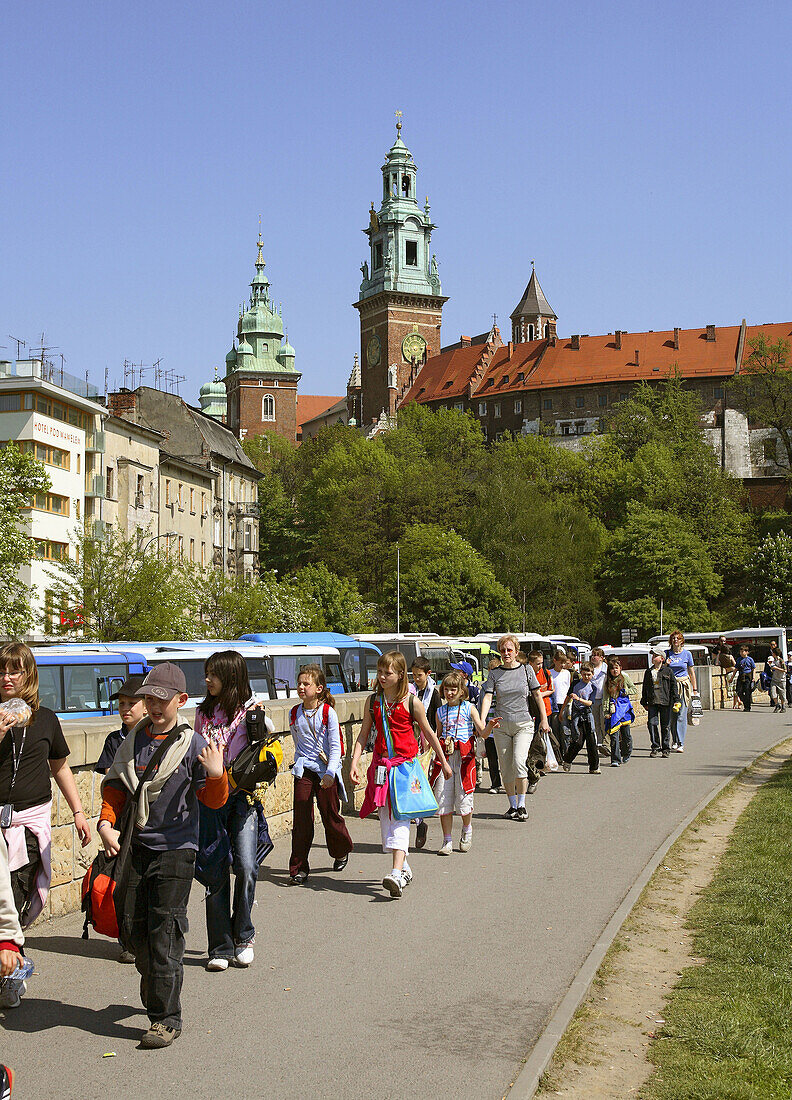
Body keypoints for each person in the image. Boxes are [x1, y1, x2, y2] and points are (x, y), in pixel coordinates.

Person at [97, 663, 228, 1049]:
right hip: (136, 845)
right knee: (134, 930)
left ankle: (165, 1018)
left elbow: (214, 801)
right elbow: (116, 788)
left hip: (176, 851)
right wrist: (106, 824)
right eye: (148, 698)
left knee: (165, 931)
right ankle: (156, 985)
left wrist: (218, 774)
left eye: (162, 699)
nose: (153, 705)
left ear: (181, 701)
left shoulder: (195, 746)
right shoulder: (133, 740)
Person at [0, 642, 90, 1009]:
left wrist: (80, 812)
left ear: (29, 675)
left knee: (16, 900)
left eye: (14, 670)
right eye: (2, 670)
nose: (7, 677)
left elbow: (60, 768)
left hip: (29, 825)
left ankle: (10, 977)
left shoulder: (47, 719)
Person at [193, 651, 274, 972]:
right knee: (214, 872)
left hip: (242, 800)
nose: (208, 680)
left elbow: (263, 753)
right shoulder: (203, 713)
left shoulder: (251, 713)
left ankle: (244, 935)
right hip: (211, 800)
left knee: (245, 865)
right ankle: (220, 946)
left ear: (231, 678)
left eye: (214, 674)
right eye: (207, 673)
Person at [350, 651, 450, 899]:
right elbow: (363, 735)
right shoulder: (374, 701)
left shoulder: (411, 702)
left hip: (405, 768)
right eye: (380, 672)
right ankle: (404, 868)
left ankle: (395, 872)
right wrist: (353, 763)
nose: (382, 677)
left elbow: (428, 733)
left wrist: (444, 763)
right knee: (385, 820)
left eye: (388, 672)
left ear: (400, 675)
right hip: (381, 768)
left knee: (401, 817)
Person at [95, 673, 146, 964]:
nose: (125, 709)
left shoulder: (154, 737)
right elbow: (110, 783)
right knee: (123, 879)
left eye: (132, 703)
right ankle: (127, 939)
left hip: (148, 818)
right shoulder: (115, 740)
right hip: (121, 819)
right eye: (122, 703)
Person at [288, 664, 353, 884]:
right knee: (302, 819)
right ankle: (298, 868)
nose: (301, 687)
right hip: (305, 769)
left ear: (319, 688)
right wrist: (299, 764)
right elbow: (297, 742)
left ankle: (340, 850)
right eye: (299, 683)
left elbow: (335, 747)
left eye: (306, 684)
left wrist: (330, 773)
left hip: (326, 770)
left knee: (330, 815)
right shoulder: (294, 712)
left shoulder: (328, 713)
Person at [479, 635, 551, 822]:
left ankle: (522, 804)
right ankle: (512, 805)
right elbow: (488, 697)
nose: (506, 653)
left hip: (523, 724)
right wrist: (482, 721)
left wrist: (544, 720)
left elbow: (537, 695)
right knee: (506, 768)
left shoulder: (526, 670)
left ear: (516, 652)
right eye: (503, 650)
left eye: (509, 650)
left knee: (519, 762)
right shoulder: (495, 674)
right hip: (501, 726)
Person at [431, 670, 500, 855]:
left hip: (465, 759)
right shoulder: (440, 711)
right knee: (444, 799)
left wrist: (490, 726)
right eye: (446, 689)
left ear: (462, 691)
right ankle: (446, 840)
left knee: (463, 799)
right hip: (446, 759)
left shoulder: (470, 708)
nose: (450, 693)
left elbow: (482, 733)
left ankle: (467, 829)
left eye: (454, 689)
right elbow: (437, 736)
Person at [640, 646, 680, 758]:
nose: (653, 658)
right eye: (652, 656)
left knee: (665, 725)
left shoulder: (668, 671)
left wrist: (676, 700)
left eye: (655, 656)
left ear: (662, 658)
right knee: (652, 724)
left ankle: (665, 748)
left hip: (665, 702)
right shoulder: (648, 672)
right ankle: (655, 746)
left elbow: (673, 687)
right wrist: (644, 702)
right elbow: (645, 687)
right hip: (652, 702)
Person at [561, 663, 600, 774]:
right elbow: (568, 697)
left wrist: (578, 699)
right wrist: (562, 711)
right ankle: (567, 759)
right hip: (577, 716)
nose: (586, 677)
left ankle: (594, 767)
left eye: (589, 674)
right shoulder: (575, 684)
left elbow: (590, 703)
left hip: (587, 715)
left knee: (591, 742)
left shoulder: (593, 687)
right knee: (578, 741)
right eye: (584, 674)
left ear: (592, 674)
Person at [666, 631, 697, 752]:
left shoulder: (687, 654)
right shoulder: (667, 654)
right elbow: (661, 669)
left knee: (681, 715)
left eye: (677, 638)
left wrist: (695, 689)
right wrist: (665, 664)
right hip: (670, 687)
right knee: (672, 716)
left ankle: (681, 742)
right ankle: (674, 740)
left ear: (681, 640)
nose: (675, 640)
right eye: (673, 638)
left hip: (683, 686)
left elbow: (691, 671)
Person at [603, 656, 636, 767]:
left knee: (626, 734)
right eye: (612, 668)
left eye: (616, 668)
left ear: (620, 668)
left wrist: (625, 691)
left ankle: (626, 753)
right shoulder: (607, 681)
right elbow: (605, 697)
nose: (615, 670)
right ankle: (615, 759)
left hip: (624, 710)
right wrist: (606, 712)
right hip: (613, 711)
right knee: (614, 736)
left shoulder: (625, 678)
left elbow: (634, 689)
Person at [549, 650, 572, 759]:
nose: (562, 665)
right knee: (555, 730)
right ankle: (557, 755)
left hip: (565, 703)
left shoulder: (567, 673)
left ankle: (566, 753)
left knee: (565, 730)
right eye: (560, 662)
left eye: (564, 663)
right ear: (555, 661)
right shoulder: (550, 673)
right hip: (554, 704)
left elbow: (568, 688)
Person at [589, 648, 608, 754]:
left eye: (595, 655)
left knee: (603, 722)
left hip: (603, 698)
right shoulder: (590, 668)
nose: (593, 657)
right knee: (595, 723)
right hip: (592, 699)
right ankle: (598, 743)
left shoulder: (606, 669)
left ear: (601, 658)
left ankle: (606, 743)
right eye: (592, 655)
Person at [735, 645, 755, 712]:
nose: (741, 653)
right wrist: (732, 678)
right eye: (740, 652)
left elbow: (753, 668)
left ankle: (747, 707)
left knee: (747, 691)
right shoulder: (739, 659)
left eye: (742, 651)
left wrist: (753, 677)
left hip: (748, 676)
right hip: (741, 675)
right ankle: (745, 701)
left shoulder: (750, 659)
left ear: (746, 652)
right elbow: (736, 669)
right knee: (739, 691)